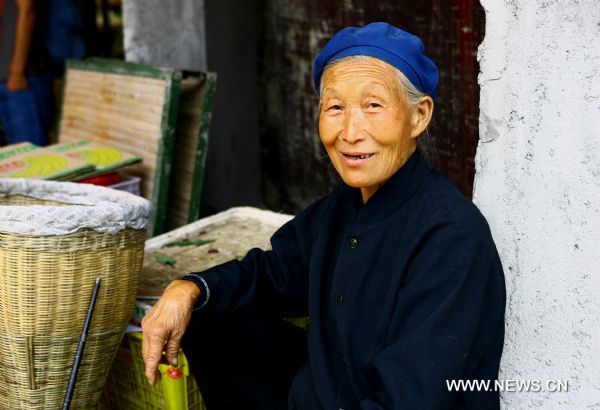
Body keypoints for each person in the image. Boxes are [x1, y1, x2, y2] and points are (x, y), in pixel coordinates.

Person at [141, 22, 506, 409]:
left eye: (373, 106)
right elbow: (273, 273)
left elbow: (411, 397)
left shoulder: (450, 237)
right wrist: (190, 288)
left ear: (419, 116)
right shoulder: (344, 206)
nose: (350, 131)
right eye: (335, 107)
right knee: (211, 314)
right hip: (331, 393)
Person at [0, 0, 53, 146]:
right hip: (6, 77)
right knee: (18, 155)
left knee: (32, 157)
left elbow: (27, 10)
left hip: (23, 79)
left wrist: (17, 73)